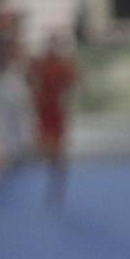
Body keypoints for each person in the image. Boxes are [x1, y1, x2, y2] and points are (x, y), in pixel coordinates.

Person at [28, 36, 78, 205]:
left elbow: (74, 84)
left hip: (55, 111)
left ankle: (57, 185)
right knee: (46, 148)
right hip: (43, 111)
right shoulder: (39, 65)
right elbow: (31, 82)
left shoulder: (62, 66)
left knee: (57, 151)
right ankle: (55, 178)